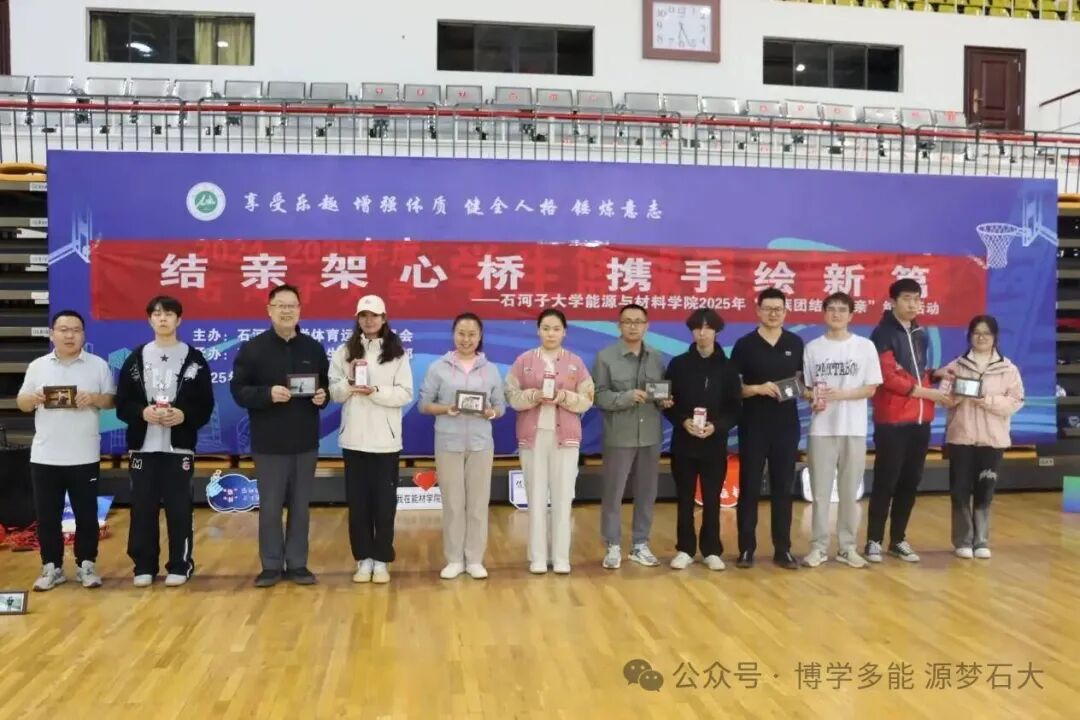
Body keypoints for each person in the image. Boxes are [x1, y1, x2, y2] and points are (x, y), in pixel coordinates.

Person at [231, 284, 330, 587]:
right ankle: (271, 565)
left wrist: (322, 397)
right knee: (271, 508)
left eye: (292, 305)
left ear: (300, 310)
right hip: (269, 443)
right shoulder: (253, 348)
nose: (286, 311)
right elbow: (239, 391)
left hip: (305, 442)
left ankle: (298, 564)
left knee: (301, 507)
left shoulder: (313, 348)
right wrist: (267, 394)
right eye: (280, 305)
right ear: (269, 310)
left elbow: (325, 388)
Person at [115, 296, 215, 587]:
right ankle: (144, 566)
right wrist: (142, 412)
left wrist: (184, 415)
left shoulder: (194, 358)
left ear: (178, 320)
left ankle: (180, 565)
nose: (163, 319)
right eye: (157, 314)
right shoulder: (135, 358)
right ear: (149, 320)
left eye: (169, 314)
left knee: (179, 508)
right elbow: (122, 404)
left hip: (178, 447)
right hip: (143, 447)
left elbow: (205, 405)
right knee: (142, 508)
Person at [17, 310, 115, 591]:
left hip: (84, 454)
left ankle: (87, 565)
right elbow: (22, 403)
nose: (69, 335)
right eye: (63, 330)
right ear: (52, 334)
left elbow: (111, 401)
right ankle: (52, 566)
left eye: (75, 330)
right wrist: (33, 398)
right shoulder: (38, 366)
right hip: (45, 455)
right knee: (47, 516)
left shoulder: (98, 365)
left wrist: (93, 397)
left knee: (87, 515)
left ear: (83, 334)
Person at [329, 295, 413, 585]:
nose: (369, 320)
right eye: (363, 315)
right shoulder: (344, 352)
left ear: (384, 318)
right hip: (354, 441)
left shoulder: (397, 353)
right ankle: (363, 559)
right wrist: (350, 382)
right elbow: (334, 393)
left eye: (374, 315)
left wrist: (375, 391)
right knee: (358, 505)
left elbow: (405, 393)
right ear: (357, 318)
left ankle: (382, 559)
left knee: (384, 505)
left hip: (386, 443)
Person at [505, 309, 594, 575]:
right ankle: (538, 557)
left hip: (565, 439)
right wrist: (532, 396)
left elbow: (587, 400)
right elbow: (511, 396)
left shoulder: (576, 363)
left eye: (556, 329)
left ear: (564, 332)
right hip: (532, 439)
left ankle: (561, 557)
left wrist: (564, 397)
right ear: (538, 330)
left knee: (563, 498)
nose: (551, 333)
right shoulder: (524, 361)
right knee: (535, 497)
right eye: (545, 328)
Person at [866, 278, 949, 563]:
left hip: (921, 419)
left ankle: (898, 539)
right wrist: (926, 392)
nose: (913, 304)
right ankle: (874, 540)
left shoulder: (920, 333)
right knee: (886, 481)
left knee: (910, 482)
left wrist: (936, 375)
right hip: (892, 420)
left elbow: (916, 372)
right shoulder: (882, 334)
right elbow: (888, 376)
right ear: (892, 301)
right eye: (906, 299)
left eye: (917, 299)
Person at [418, 312, 505, 580]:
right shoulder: (438, 367)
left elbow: (500, 406)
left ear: (480, 336)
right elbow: (424, 404)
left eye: (472, 334)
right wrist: (447, 409)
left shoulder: (490, 369)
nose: (466, 339)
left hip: (481, 444)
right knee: (453, 504)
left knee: (478, 504)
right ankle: (454, 559)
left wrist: (490, 413)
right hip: (448, 442)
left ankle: (475, 559)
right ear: (453, 334)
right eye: (461, 334)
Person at [800, 293, 882, 569]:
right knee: (820, 493)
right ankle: (818, 547)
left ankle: (847, 547)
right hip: (821, 429)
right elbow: (808, 388)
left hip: (854, 429)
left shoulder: (865, 346)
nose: (836, 314)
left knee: (849, 492)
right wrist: (813, 397)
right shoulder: (813, 348)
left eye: (842, 310)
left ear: (851, 315)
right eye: (831, 309)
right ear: (824, 313)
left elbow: (871, 388)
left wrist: (841, 395)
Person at [592, 304, 670, 570]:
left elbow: (660, 392)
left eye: (638, 321)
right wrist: (626, 397)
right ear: (619, 326)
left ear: (647, 326)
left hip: (650, 435)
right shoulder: (605, 357)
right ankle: (613, 545)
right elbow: (598, 396)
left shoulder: (656, 357)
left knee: (647, 492)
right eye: (627, 321)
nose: (633, 326)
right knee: (613, 492)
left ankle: (640, 544)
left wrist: (665, 401)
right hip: (619, 435)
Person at [730, 288, 803, 570]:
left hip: (786, 426)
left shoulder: (795, 342)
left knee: (783, 488)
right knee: (749, 487)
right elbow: (733, 388)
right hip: (753, 424)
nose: (773, 313)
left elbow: (802, 382)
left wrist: (796, 389)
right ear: (758, 310)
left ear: (785, 312)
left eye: (778, 309)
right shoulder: (745, 344)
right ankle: (746, 548)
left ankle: (783, 549)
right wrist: (757, 389)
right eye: (768, 308)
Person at [663, 309, 742, 571]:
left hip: (714, 444)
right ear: (692, 331)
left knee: (711, 499)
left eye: (708, 328)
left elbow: (735, 408)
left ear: (716, 331)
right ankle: (685, 548)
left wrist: (717, 427)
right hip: (683, 444)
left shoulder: (728, 367)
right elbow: (667, 403)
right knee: (684, 499)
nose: (703, 333)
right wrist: (682, 421)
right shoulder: (678, 364)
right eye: (698, 328)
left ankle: (711, 550)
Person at [940, 315, 1024, 559]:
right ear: (969, 336)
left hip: (992, 439)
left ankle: (981, 540)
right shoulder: (955, 366)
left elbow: (1015, 402)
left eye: (986, 333)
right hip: (961, 437)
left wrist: (984, 400)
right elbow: (944, 399)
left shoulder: (1009, 369)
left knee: (985, 490)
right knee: (960, 490)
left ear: (995, 337)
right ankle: (963, 540)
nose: (981, 337)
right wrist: (958, 394)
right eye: (976, 333)